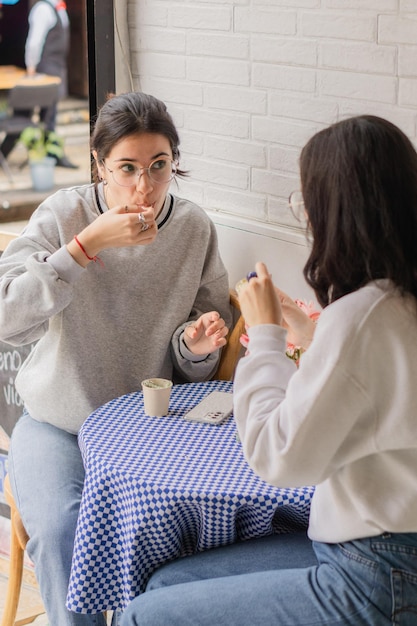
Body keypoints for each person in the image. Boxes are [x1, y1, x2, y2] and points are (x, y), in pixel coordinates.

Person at [119, 114, 417, 625]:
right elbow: (378, 382)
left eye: (308, 202)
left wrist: (265, 337)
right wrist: (306, 329)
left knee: (144, 616)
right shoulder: (393, 305)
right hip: (387, 553)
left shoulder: (362, 315)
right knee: (167, 582)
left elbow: (278, 460)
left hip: (374, 574)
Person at [0, 91, 232, 626]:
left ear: (175, 163)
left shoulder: (193, 228)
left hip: (146, 433)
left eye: (159, 166)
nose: (144, 186)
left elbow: (193, 352)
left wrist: (194, 346)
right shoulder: (65, 214)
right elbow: (8, 319)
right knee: (62, 528)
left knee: (166, 536)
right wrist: (84, 248)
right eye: (126, 168)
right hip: (56, 423)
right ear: (99, 163)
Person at [0, 0, 78, 168]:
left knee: (49, 115)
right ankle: (5, 151)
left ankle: (51, 154)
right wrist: (31, 67)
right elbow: (35, 41)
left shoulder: (60, 9)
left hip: (57, 67)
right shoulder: (43, 9)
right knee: (24, 113)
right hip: (43, 69)